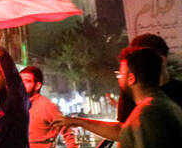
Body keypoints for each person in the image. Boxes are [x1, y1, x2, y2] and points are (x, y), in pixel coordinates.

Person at [53, 33, 182, 142]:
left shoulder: (169, 97)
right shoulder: (130, 94)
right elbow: (122, 131)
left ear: (162, 60)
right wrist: (80, 122)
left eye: (144, 57)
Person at [115, 47, 182, 148]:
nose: (119, 79)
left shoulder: (148, 112)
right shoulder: (167, 105)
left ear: (131, 78)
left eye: (120, 74)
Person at [19, 66, 79, 148]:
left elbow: (70, 137)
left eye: (26, 81)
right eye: (20, 81)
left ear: (37, 85)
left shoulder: (48, 107)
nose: (21, 85)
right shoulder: (17, 107)